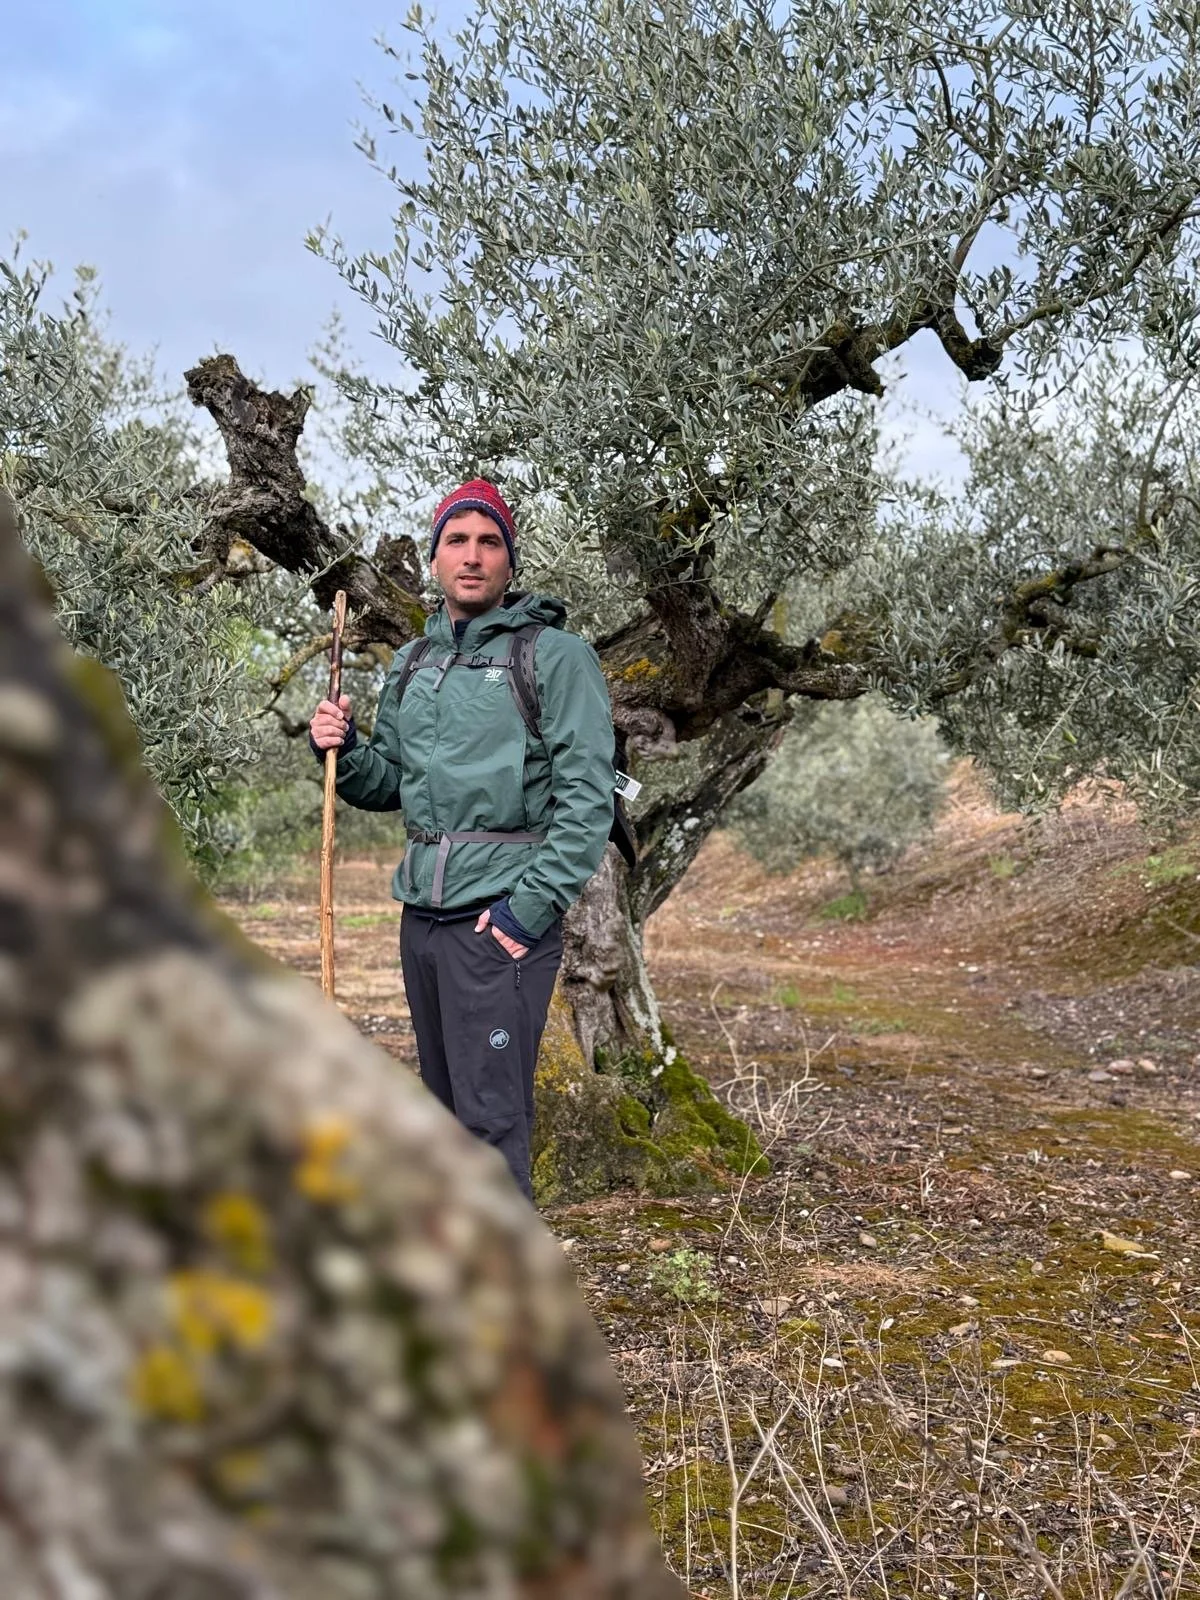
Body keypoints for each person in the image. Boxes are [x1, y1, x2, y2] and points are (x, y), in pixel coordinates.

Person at [309, 480, 615, 1200]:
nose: (472, 557)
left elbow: (585, 802)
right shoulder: (413, 664)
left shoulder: (556, 657)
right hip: (423, 918)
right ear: (434, 557)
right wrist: (344, 748)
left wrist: (523, 916)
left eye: (489, 542)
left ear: (510, 562)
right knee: (446, 1116)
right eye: (457, 540)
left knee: (490, 1120)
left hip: (498, 921)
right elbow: (390, 784)